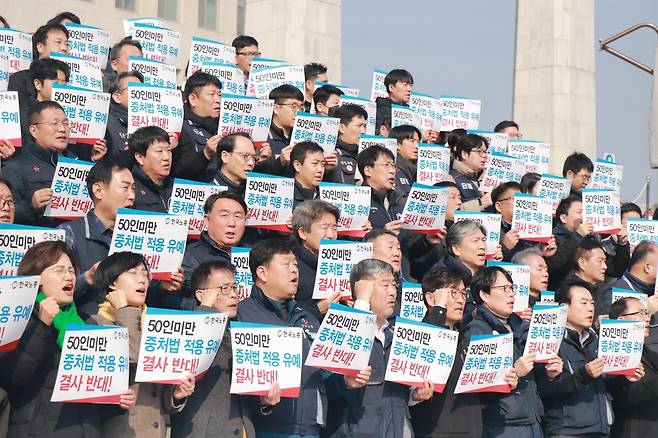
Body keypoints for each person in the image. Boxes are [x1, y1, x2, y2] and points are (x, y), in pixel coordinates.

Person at [0, 241, 135, 437]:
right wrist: (42, 325)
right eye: (59, 270)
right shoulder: (19, 318)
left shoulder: (88, 323)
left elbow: (96, 394)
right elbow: (15, 378)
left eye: (72, 270)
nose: (69, 276)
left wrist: (116, 400)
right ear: (36, 279)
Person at [92, 252, 193, 438]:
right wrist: (125, 311)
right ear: (112, 283)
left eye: (145, 275)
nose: (142, 280)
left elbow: (158, 393)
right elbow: (134, 355)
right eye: (133, 273)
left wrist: (175, 395)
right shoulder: (94, 324)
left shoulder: (155, 325)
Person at [411, 266, 518, 438]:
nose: (461, 300)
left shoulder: (466, 338)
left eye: (463, 293)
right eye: (452, 293)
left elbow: (480, 391)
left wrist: (504, 379)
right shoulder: (418, 335)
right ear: (431, 298)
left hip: (473, 429)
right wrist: (439, 308)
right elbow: (430, 349)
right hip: (435, 432)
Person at [236, 238, 326, 437]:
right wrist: (262, 402)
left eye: (295, 264)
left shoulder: (307, 317)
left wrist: (346, 378)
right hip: (266, 428)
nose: (294, 270)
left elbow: (323, 373)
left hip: (310, 429)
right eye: (286, 264)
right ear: (262, 273)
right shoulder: (241, 315)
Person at [335, 258, 432, 437]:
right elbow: (328, 381)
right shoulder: (341, 331)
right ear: (364, 288)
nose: (392, 292)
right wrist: (362, 301)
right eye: (385, 285)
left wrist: (415, 395)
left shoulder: (396, 336)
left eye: (394, 285)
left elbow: (400, 392)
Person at [466, 266, 561, 438]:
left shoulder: (522, 328)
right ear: (484, 295)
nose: (511, 294)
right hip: (502, 426)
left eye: (512, 288)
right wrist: (515, 373)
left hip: (532, 420)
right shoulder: (478, 332)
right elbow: (476, 384)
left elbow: (537, 378)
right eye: (504, 288)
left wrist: (549, 373)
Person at [171, 260, 255, 437]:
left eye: (235, 287)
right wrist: (206, 309)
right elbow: (194, 356)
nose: (234, 295)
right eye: (225, 288)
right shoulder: (184, 332)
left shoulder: (241, 333)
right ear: (201, 295)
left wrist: (265, 402)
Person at [4, 101, 106, 227]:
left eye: (66, 123)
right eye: (55, 123)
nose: (62, 129)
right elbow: (6, 217)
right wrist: (31, 206)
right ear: (34, 130)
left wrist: (93, 162)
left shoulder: (78, 163)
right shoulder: (16, 167)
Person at [58, 157, 136, 318]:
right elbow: (52, 292)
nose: (132, 196)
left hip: (131, 327)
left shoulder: (138, 236)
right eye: (125, 188)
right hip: (87, 331)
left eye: (133, 189)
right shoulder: (68, 233)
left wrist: (162, 285)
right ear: (98, 190)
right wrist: (88, 278)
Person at [537, 278, 612, 438]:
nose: (590, 309)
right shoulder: (550, 341)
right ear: (564, 307)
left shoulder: (597, 340)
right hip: (567, 431)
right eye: (583, 303)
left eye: (592, 303)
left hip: (601, 429)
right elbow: (545, 390)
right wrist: (584, 374)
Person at [181, 191, 247, 299]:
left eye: (238, 216)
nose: (231, 223)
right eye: (224, 215)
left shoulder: (253, 255)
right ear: (207, 220)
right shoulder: (189, 257)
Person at [607, 296, 654, 437]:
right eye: (640, 313)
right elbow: (622, 396)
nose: (647, 319)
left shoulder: (650, 355)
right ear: (621, 320)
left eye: (647, 313)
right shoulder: (611, 355)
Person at [291, 200, 341, 321]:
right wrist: (318, 309)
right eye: (324, 228)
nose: (331, 235)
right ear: (302, 232)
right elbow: (285, 315)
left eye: (334, 228)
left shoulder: (341, 264)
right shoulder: (291, 267)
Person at [172, 71, 223, 181]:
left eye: (219, 95)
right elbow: (178, 169)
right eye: (211, 94)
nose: (218, 100)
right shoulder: (179, 127)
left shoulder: (223, 128)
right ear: (193, 99)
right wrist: (205, 155)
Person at [8, 22, 68, 109]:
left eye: (67, 44)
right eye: (58, 42)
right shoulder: (19, 80)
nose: (64, 48)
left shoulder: (70, 83)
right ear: (40, 47)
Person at [597, 240, 658, 317]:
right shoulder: (614, 294)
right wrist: (645, 312)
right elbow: (608, 325)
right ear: (648, 267)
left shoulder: (654, 291)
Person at [548, 195, 592, 290]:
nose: (584, 216)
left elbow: (613, 270)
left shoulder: (589, 239)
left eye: (585, 212)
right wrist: (577, 236)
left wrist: (621, 245)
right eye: (579, 212)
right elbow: (553, 265)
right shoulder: (552, 238)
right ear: (563, 218)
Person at [358, 145, 404, 230]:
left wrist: (426, 241)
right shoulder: (357, 202)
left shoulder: (397, 200)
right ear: (368, 170)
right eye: (386, 165)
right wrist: (383, 233)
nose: (392, 171)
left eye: (393, 166)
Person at [129, 126, 174, 212]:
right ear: (139, 157)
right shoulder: (131, 189)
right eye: (159, 151)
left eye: (168, 150)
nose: (166, 157)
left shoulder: (177, 188)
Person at [326, 104, 368, 184]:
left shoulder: (366, 156)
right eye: (359, 126)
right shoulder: (330, 155)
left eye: (364, 126)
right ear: (341, 128)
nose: (363, 131)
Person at [105, 70, 144, 156]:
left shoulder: (152, 125)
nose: (141, 94)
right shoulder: (105, 125)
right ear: (117, 97)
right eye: (134, 90)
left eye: (143, 90)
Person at [450, 134, 491, 211]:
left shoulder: (487, 178)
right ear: (464, 154)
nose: (485, 156)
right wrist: (482, 203)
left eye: (485, 152)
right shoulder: (450, 177)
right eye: (479, 151)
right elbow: (450, 212)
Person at [213, 132, 257, 197]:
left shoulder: (251, 195)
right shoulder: (208, 192)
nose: (251, 163)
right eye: (245, 156)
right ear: (225, 157)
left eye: (253, 158)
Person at [267, 84, 304, 157]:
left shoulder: (302, 138)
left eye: (301, 107)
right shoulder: (264, 137)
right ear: (276, 109)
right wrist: (280, 163)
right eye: (293, 105)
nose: (298, 112)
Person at [375, 69, 413, 136]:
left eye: (410, 85)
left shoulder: (411, 112)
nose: (409, 89)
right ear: (391, 87)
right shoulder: (381, 110)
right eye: (405, 84)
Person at [389, 124, 421, 202]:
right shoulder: (391, 172)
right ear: (398, 145)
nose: (417, 146)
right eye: (412, 141)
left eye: (418, 142)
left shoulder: (420, 172)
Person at [290, 141, 325, 207]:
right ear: (297, 166)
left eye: (323, 164)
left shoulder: (326, 198)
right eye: (315, 163)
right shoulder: (284, 194)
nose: (320, 170)